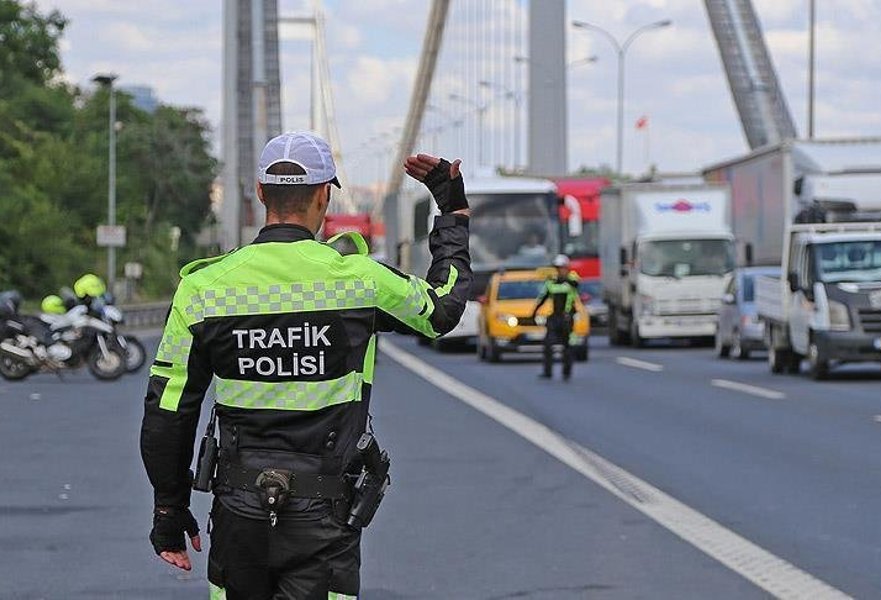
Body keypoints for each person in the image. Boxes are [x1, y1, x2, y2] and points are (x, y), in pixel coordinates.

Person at [140, 131, 472, 599]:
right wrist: (452, 211)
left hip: (238, 512)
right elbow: (443, 309)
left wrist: (169, 511)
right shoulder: (359, 281)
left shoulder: (204, 289)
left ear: (261, 194)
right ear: (323, 195)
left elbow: (167, 411)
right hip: (325, 516)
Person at [531, 254, 580, 381]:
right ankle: (547, 372)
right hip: (554, 317)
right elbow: (543, 298)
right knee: (548, 344)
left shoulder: (572, 280)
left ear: (567, 268)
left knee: (568, 346)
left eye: (562, 268)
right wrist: (534, 312)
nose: (560, 270)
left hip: (567, 317)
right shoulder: (551, 282)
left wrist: (565, 279)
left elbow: (576, 284)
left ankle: (566, 372)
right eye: (558, 268)